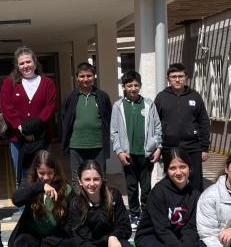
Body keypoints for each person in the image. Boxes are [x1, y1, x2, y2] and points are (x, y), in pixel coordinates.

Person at [134, 148, 208, 247]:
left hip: (176, 235)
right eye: (172, 168)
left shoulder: (195, 194)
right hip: (151, 235)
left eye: (182, 167)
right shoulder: (159, 192)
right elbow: (161, 229)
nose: (178, 172)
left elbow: (190, 228)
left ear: (190, 168)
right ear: (167, 171)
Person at [8, 150, 79, 247]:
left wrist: (47, 245)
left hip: (56, 234)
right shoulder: (29, 184)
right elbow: (16, 200)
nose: (46, 177)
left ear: (55, 171)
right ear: (36, 171)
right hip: (32, 233)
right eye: (41, 173)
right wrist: (39, 187)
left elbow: (72, 221)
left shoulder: (66, 188)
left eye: (49, 173)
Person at [69, 160, 137, 247]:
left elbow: (125, 226)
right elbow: (81, 243)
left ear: (102, 179)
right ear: (80, 181)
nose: (92, 183)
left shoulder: (114, 195)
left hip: (110, 244)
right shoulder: (76, 203)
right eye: (87, 179)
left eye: (96, 179)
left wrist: (113, 237)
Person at [110, 70, 162, 229]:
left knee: (146, 187)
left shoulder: (149, 104)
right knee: (132, 187)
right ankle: (134, 214)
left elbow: (157, 127)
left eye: (136, 85)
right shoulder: (118, 106)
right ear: (124, 87)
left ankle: (146, 214)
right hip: (128, 155)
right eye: (129, 85)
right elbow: (114, 131)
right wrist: (119, 151)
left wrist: (158, 147)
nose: (133, 88)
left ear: (140, 86)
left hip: (146, 154)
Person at [0, 47, 57, 186]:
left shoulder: (47, 83)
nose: (26, 66)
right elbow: (7, 107)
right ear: (17, 66)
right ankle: (23, 200)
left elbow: (50, 106)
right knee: (22, 177)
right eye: (22, 63)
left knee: (44, 175)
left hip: (42, 137)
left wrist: (33, 127)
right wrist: (22, 128)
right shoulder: (9, 83)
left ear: (35, 63)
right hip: (18, 139)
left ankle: (43, 200)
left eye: (28, 62)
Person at [153, 63, 210, 191]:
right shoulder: (161, 97)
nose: (177, 79)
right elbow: (155, 124)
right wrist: (157, 147)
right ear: (168, 79)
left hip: (193, 146)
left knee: (195, 181)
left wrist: (205, 147)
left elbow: (204, 122)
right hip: (169, 147)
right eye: (173, 77)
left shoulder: (195, 96)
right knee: (173, 179)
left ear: (186, 78)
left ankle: (195, 203)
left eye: (180, 76)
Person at [61, 62, 112, 184]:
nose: (85, 79)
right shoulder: (70, 97)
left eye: (89, 76)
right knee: (77, 179)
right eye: (82, 76)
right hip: (76, 145)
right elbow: (65, 118)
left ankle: (100, 197)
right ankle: (78, 198)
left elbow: (108, 117)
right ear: (77, 77)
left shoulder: (102, 96)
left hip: (98, 145)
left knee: (100, 177)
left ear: (94, 76)